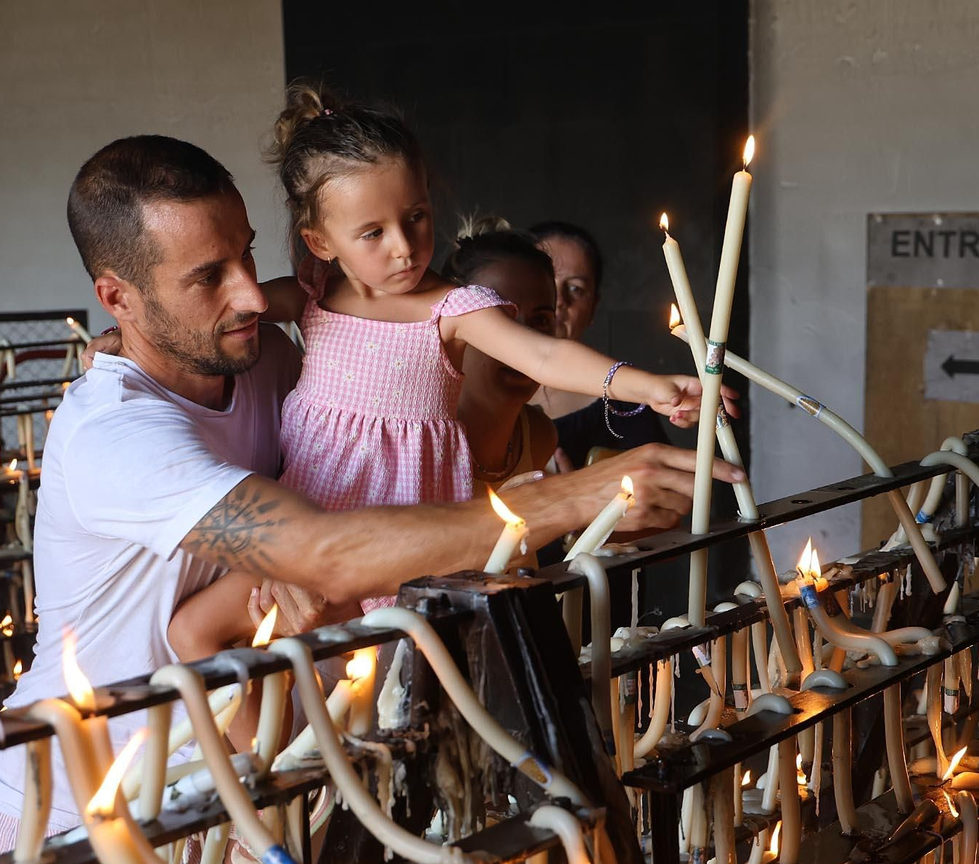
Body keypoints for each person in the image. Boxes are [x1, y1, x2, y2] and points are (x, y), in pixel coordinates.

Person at [0, 134, 743, 864]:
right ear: (116, 297)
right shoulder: (115, 435)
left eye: (245, 258)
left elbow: (400, 433)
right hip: (72, 829)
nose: (249, 296)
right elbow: (323, 551)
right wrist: (571, 497)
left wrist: (584, 431)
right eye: (207, 278)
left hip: (228, 798)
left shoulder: (257, 358)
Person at [168, 83, 706, 655]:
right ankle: (252, 751)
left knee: (392, 674)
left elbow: (544, 354)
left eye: (417, 217)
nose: (403, 247)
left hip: (408, 537)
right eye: (373, 233)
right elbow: (225, 309)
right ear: (320, 242)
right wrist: (129, 339)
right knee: (196, 630)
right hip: (311, 533)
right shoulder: (312, 296)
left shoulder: (452, 308)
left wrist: (646, 385)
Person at [532, 220, 670, 469]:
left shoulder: (625, 405)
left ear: (593, 306)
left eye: (575, 288)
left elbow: (671, 496)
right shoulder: (472, 390)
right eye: (544, 280)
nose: (559, 300)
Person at [446, 216, 559, 492]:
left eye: (541, 320)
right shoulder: (415, 437)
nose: (525, 342)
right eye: (500, 318)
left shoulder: (538, 437)